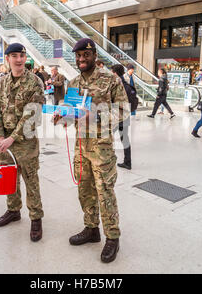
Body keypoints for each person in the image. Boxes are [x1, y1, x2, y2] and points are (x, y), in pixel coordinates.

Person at [57, 38, 129, 263]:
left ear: (94, 55)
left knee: (105, 192)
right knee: (85, 190)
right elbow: (72, 113)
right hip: (81, 146)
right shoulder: (74, 82)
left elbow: (124, 110)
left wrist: (96, 116)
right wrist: (62, 116)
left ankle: (112, 237)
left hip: (102, 148)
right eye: (78, 56)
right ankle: (91, 229)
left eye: (85, 55)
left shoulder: (110, 80)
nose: (81, 59)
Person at [0, 43, 45, 242]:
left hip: (25, 142)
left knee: (31, 181)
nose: (19, 59)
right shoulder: (2, 82)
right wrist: (0, 136)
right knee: (9, 178)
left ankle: (36, 218)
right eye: (14, 55)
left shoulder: (34, 82)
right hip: (4, 141)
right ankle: (13, 210)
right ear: (7, 59)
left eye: (22, 55)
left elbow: (31, 116)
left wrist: (11, 138)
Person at [112, 64, 137, 170]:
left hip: (117, 116)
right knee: (125, 138)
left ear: (115, 73)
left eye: (112, 72)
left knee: (105, 136)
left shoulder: (118, 84)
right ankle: (128, 162)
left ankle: (105, 160)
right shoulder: (126, 82)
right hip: (125, 115)